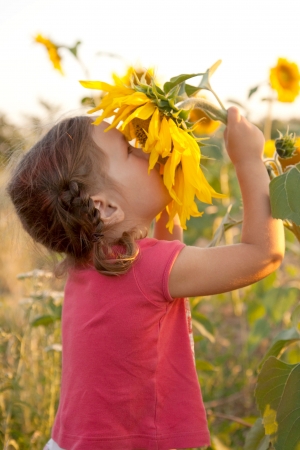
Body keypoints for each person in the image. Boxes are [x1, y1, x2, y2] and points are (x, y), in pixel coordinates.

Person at [7, 107, 284, 450]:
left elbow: (164, 256)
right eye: (129, 148)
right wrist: (249, 160)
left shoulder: (90, 266)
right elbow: (263, 253)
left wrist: (171, 177)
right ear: (105, 207)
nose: (145, 150)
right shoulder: (148, 268)